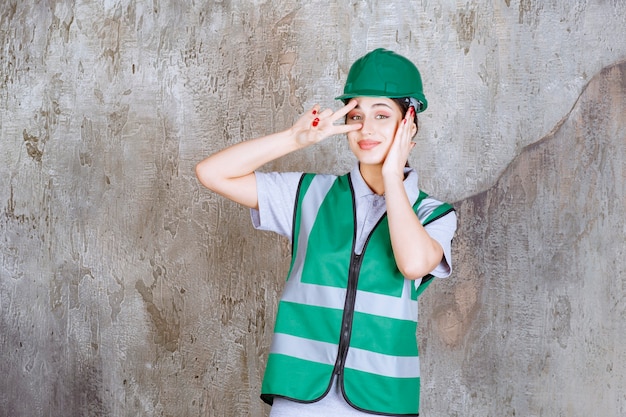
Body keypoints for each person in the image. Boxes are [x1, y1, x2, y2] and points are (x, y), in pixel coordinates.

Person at [196, 48, 457, 416]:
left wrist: (392, 178)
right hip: (299, 396)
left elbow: (413, 263)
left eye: (382, 115)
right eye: (356, 115)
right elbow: (212, 173)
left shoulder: (433, 214)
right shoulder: (308, 195)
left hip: (382, 400)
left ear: (408, 124)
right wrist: (294, 139)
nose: (366, 128)